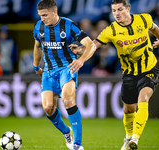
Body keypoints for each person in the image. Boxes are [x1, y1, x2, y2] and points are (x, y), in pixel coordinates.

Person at [69, 0, 159, 150]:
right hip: (129, 74)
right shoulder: (110, 30)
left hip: (149, 69)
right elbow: (94, 45)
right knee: (128, 110)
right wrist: (81, 50)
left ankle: (135, 139)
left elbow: (154, 27)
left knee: (143, 98)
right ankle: (127, 139)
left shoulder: (144, 18)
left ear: (128, 8)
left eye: (120, 10)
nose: (117, 14)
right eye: (114, 11)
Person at [32, 0, 94, 150]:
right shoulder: (38, 27)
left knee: (67, 100)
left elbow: (90, 44)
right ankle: (67, 132)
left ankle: (78, 144)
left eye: (45, 15)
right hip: (48, 70)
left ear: (54, 12)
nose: (42, 19)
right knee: (48, 107)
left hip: (67, 67)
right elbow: (37, 45)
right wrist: (35, 66)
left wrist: (81, 60)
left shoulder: (70, 26)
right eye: (40, 15)